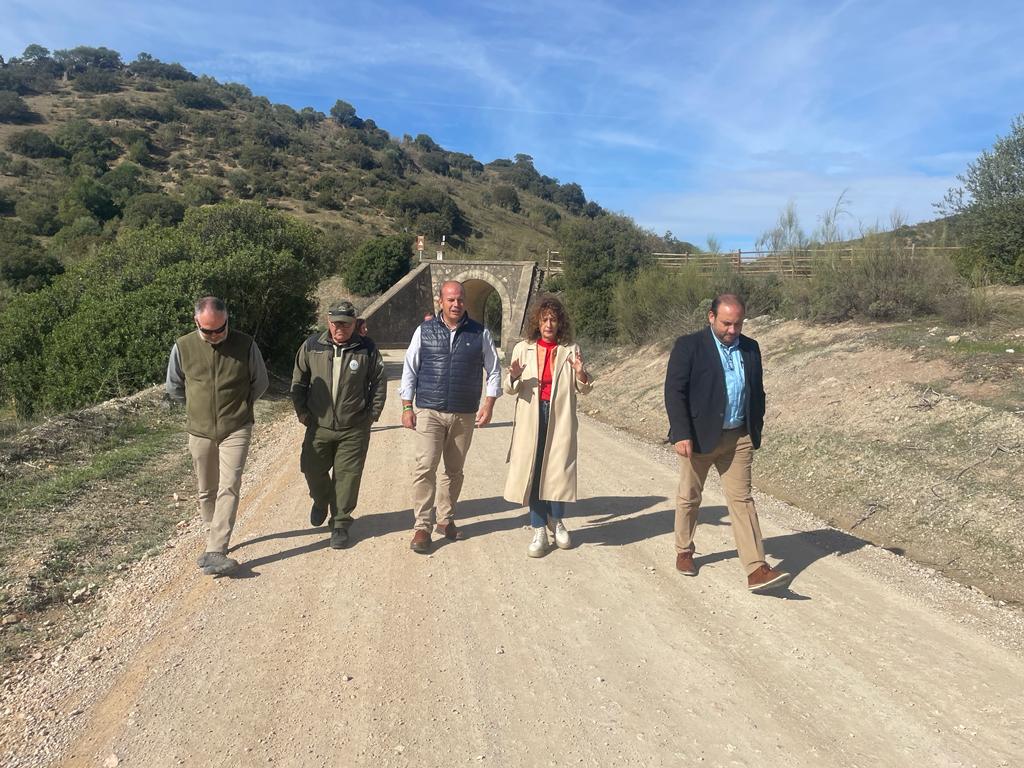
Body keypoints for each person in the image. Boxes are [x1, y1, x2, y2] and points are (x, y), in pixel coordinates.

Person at [664, 293, 791, 593]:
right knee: (690, 496)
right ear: (711, 317)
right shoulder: (689, 346)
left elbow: (757, 391)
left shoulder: (751, 347)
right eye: (726, 324)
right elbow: (674, 391)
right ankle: (684, 550)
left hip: (738, 437)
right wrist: (681, 432)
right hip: (698, 437)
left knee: (742, 500)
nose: (732, 330)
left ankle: (756, 569)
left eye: (738, 324)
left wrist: (755, 427)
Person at [166, 296, 269, 576]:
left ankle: (216, 548)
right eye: (208, 331)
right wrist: (195, 409)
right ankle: (213, 534)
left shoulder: (246, 345)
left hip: (236, 426)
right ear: (196, 322)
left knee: (229, 484)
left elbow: (260, 382)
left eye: (220, 329)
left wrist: (241, 407)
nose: (215, 335)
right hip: (199, 430)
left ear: (227, 320)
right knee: (206, 488)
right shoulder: (183, 346)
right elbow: (174, 386)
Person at [400, 280, 502, 554]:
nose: (456, 304)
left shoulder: (480, 333)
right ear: (440, 301)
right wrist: (407, 406)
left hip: (464, 413)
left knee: (454, 471)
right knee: (425, 467)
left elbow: (494, 370)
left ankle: (445, 520)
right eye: (451, 300)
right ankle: (422, 526)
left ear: (465, 301)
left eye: (460, 299)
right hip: (429, 411)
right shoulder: (424, 331)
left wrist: (489, 403)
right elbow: (410, 368)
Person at [291, 301, 387, 549]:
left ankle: (340, 524)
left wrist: (372, 414)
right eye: (335, 323)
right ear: (328, 322)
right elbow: (299, 381)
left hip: (354, 427)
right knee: (312, 469)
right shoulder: (312, 346)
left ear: (354, 323)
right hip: (318, 425)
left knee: (347, 477)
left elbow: (378, 382)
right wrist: (302, 412)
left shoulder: (366, 348)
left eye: (345, 323)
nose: (339, 327)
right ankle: (321, 500)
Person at [503, 295, 592, 557]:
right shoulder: (523, 349)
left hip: (559, 417)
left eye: (553, 319)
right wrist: (514, 376)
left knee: (558, 470)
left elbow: (584, 388)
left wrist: (581, 372)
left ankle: (558, 520)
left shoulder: (570, 350)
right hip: (531, 417)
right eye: (544, 320)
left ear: (560, 322)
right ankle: (539, 528)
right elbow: (509, 389)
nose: (549, 324)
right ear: (537, 322)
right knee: (534, 469)